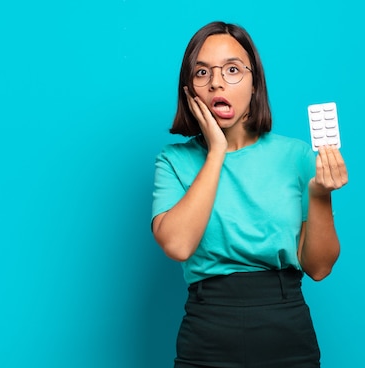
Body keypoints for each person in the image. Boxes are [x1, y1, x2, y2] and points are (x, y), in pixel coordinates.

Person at [151, 21, 348, 368]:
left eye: (231, 70)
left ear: (255, 82)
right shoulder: (174, 161)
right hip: (206, 329)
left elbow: (318, 268)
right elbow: (178, 245)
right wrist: (216, 152)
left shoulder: (297, 156)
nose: (216, 82)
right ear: (189, 91)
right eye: (202, 72)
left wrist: (320, 193)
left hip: (286, 328)